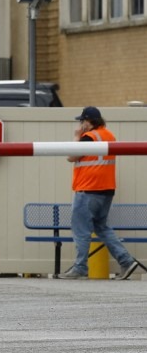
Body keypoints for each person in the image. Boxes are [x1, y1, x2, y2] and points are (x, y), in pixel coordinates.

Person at [56, 106, 144, 280]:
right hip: (106, 190)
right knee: (102, 227)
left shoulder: (88, 137)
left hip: (88, 189)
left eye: (82, 121)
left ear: (89, 122)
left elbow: (71, 156)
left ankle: (80, 267)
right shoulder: (109, 135)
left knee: (81, 230)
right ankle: (126, 261)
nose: (81, 124)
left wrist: (76, 136)